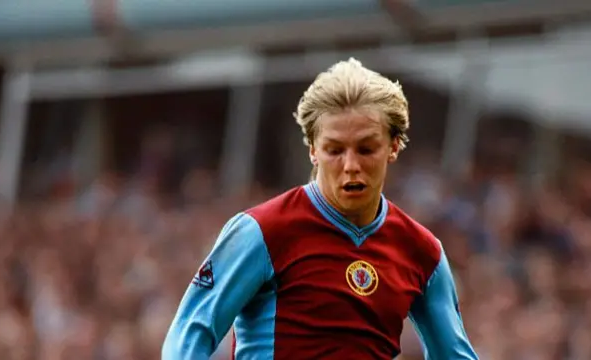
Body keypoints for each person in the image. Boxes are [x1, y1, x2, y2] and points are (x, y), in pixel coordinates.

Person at [162, 58, 479, 360]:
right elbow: (190, 332)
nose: (351, 165)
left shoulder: (422, 251)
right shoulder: (262, 231)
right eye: (335, 150)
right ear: (313, 150)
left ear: (393, 146)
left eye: (366, 149)